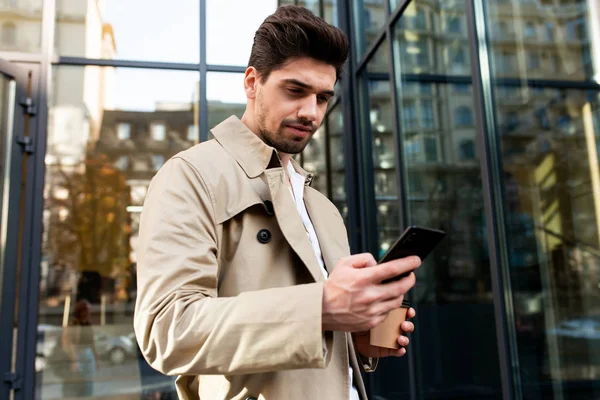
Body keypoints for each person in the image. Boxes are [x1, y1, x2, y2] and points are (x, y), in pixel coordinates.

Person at [134, 5, 420, 399]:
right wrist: (322, 305)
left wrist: (358, 340)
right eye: (295, 90)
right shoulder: (191, 175)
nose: (310, 112)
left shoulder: (321, 206)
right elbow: (167, 330)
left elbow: (310, 333)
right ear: (252, 82)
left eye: (322, 98)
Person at [61, 299, 98, 397]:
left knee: (88, 385)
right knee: (75, 384)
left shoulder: (88, 325)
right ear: (82, 312)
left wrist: (96, 358)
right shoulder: (73, 325)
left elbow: (92, 342)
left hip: (88, 355)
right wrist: (74, 360)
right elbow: (68, 344)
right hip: (77, 355)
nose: (89, 314)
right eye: (87, 311)